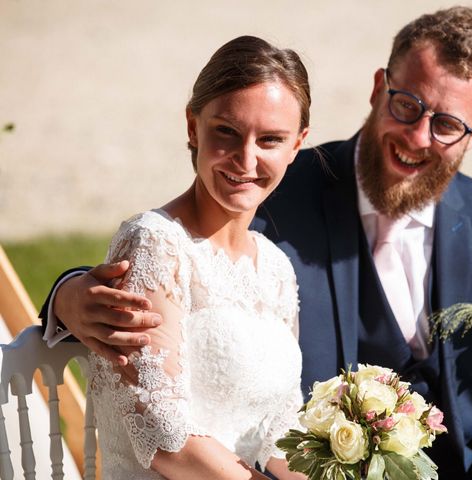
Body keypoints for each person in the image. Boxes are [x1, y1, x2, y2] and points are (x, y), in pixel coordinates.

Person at [42, 7, 472, 479]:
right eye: (408, 105)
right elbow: (164, 266)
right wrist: (68, 297)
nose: (418, 136)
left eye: (447, 124)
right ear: (380, 87)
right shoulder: (273, 186)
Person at [54, 35, 311, 479]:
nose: (246, 159)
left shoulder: (275, 269)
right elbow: (164, 437)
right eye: (227, 132)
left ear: (296, 145)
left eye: (270, 139)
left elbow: (279, 433)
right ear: (193, 127)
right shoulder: (154, 243)